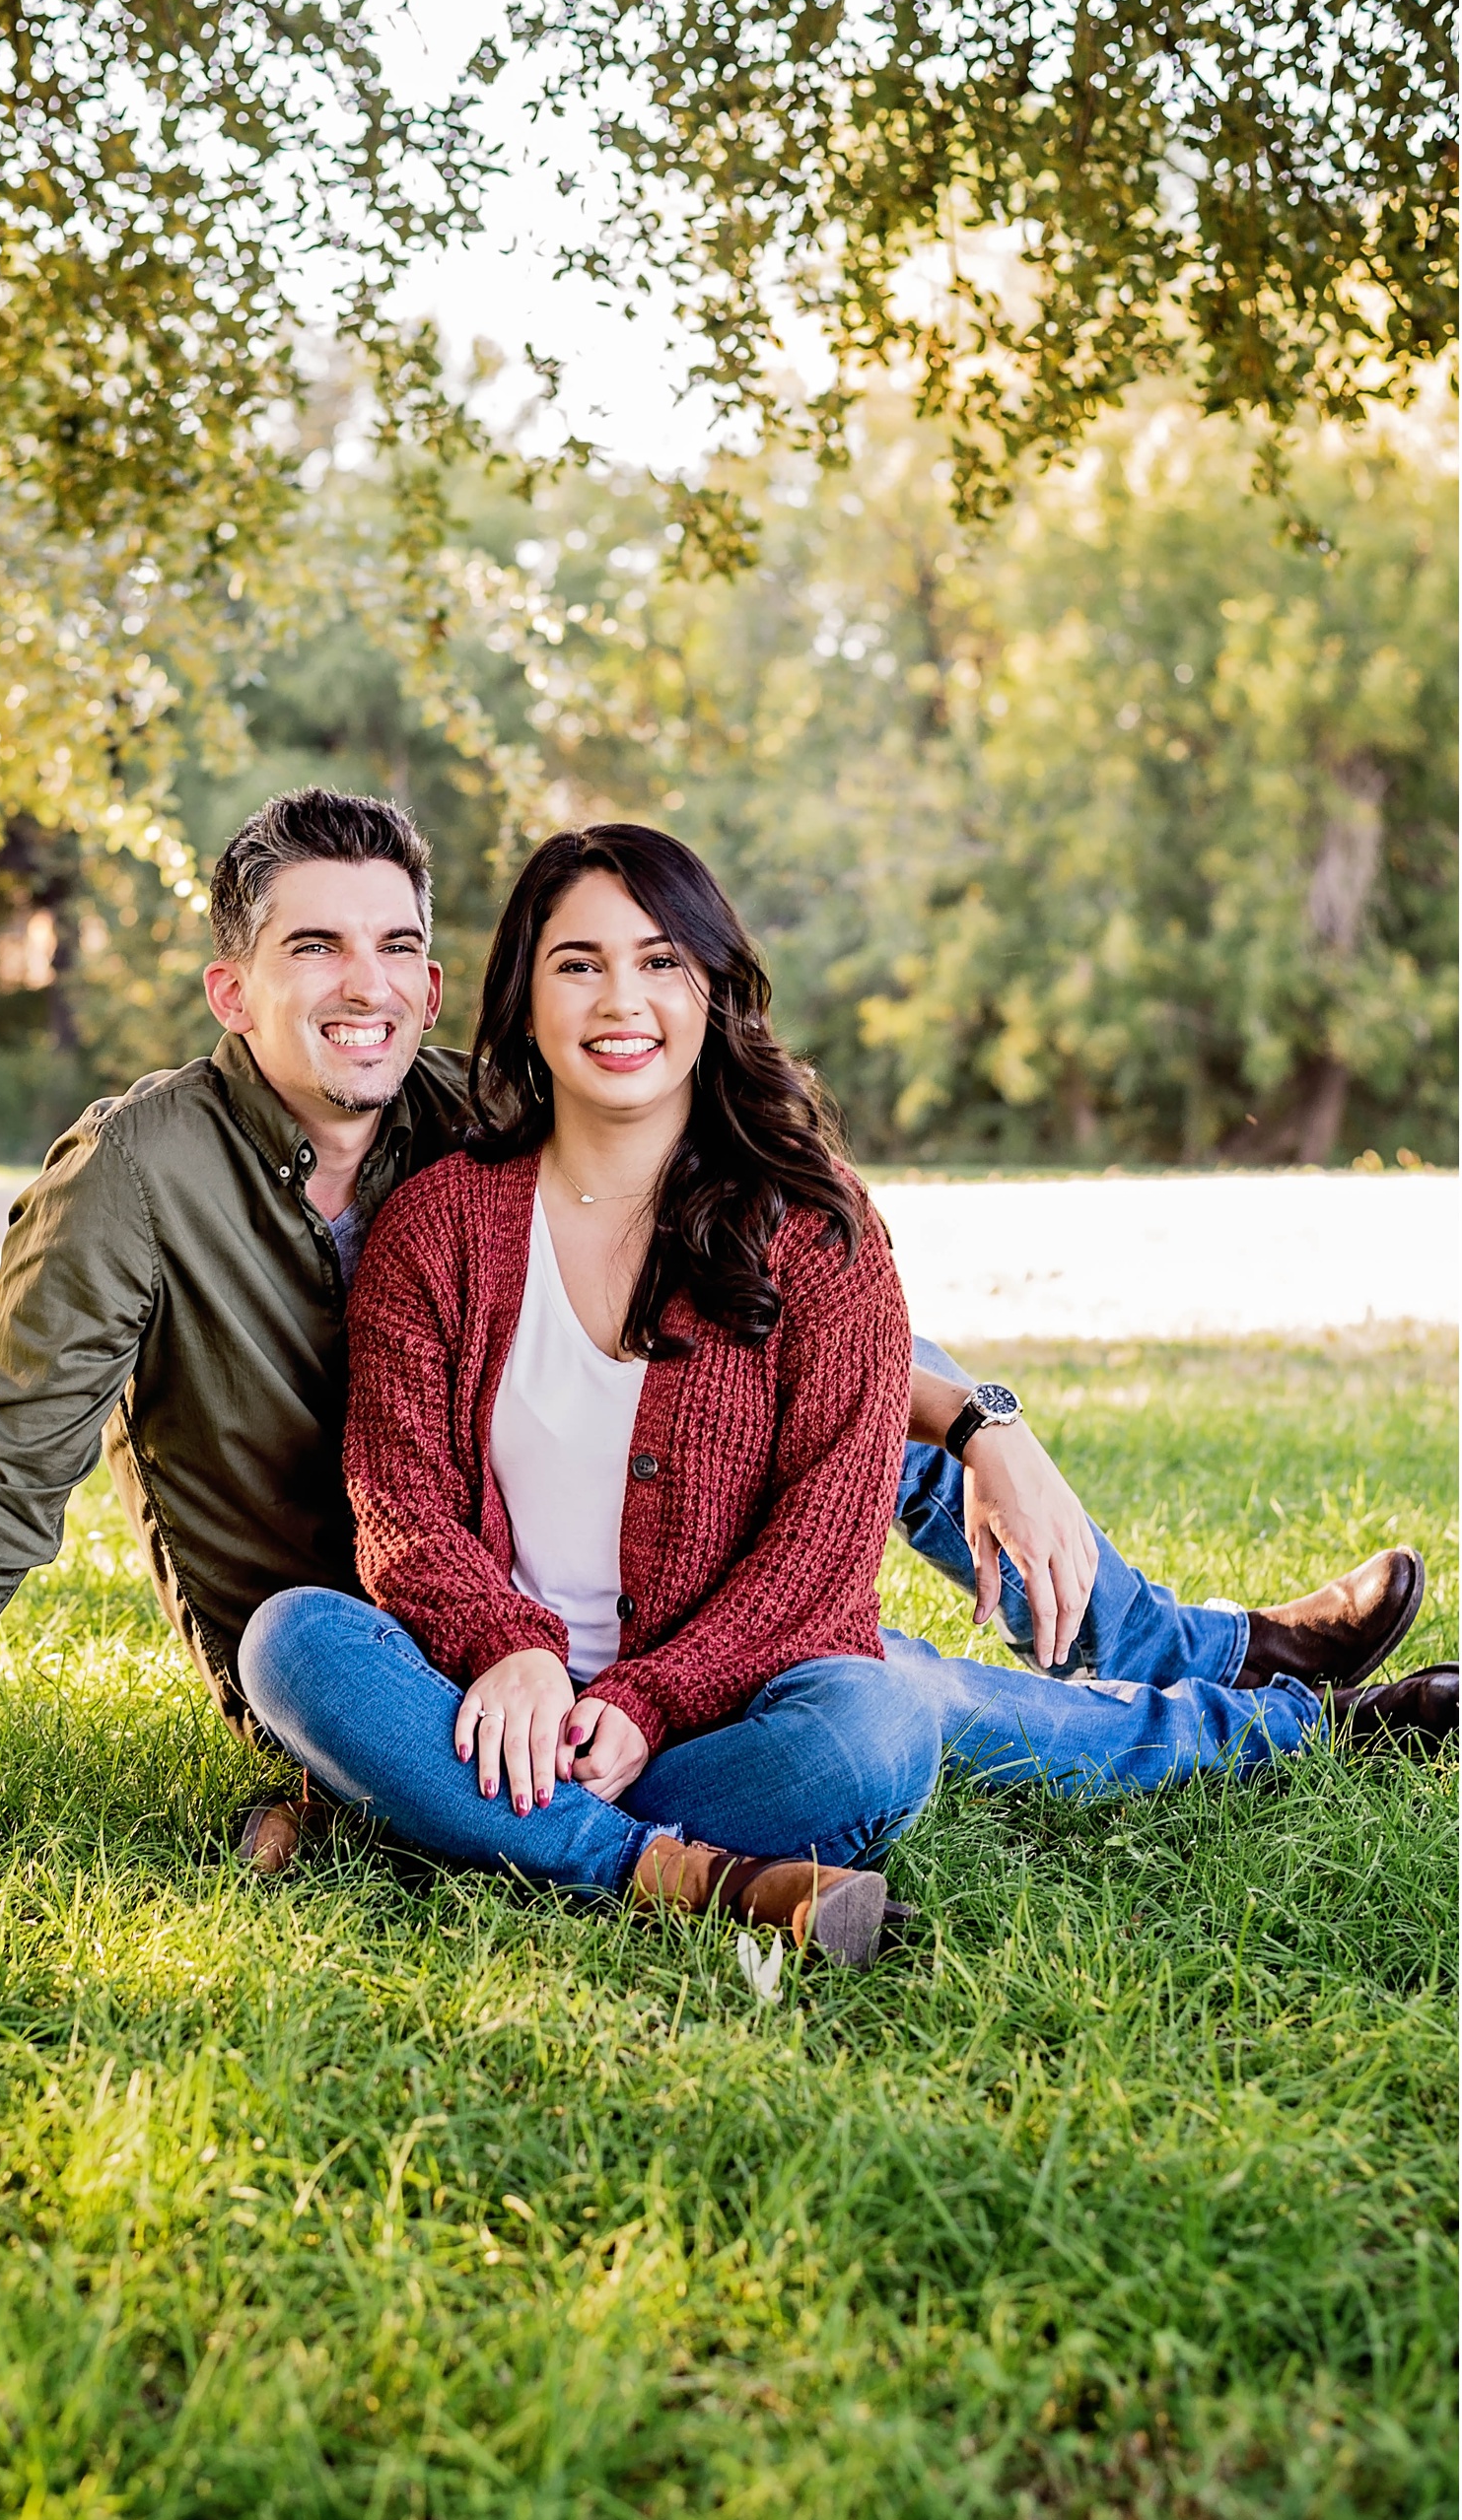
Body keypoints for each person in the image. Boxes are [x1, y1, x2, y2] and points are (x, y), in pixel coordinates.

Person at [0, 789, 1441, 1861]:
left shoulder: (470, 1108)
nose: (363, 984)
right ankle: (654, 1849)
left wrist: (984, 1419)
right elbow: (11, 1479)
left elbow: (797, 1381)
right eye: (313, 949)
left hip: (661, 1596)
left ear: (444, 982)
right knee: (884, 1689)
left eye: (395, 944)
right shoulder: (154, 1175)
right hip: (389, 1636)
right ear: (233, 988)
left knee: (834, 1497)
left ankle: (1220, 1658)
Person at [238, 824, 1455, 1954]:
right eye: (577, 964)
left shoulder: (814, 1232)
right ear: (523, 999)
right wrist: (509, 1650)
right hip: (494, 1703)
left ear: (710, 991)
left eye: (660, 961)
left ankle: (441, 1820)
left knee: (873, 1729)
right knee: (292, 1643)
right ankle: (672, 1871)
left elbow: (819, 1561)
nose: (620, 1001)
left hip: (732, 1705)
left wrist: (651, 1701)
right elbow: (399, 1509)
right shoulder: (437, 1227)